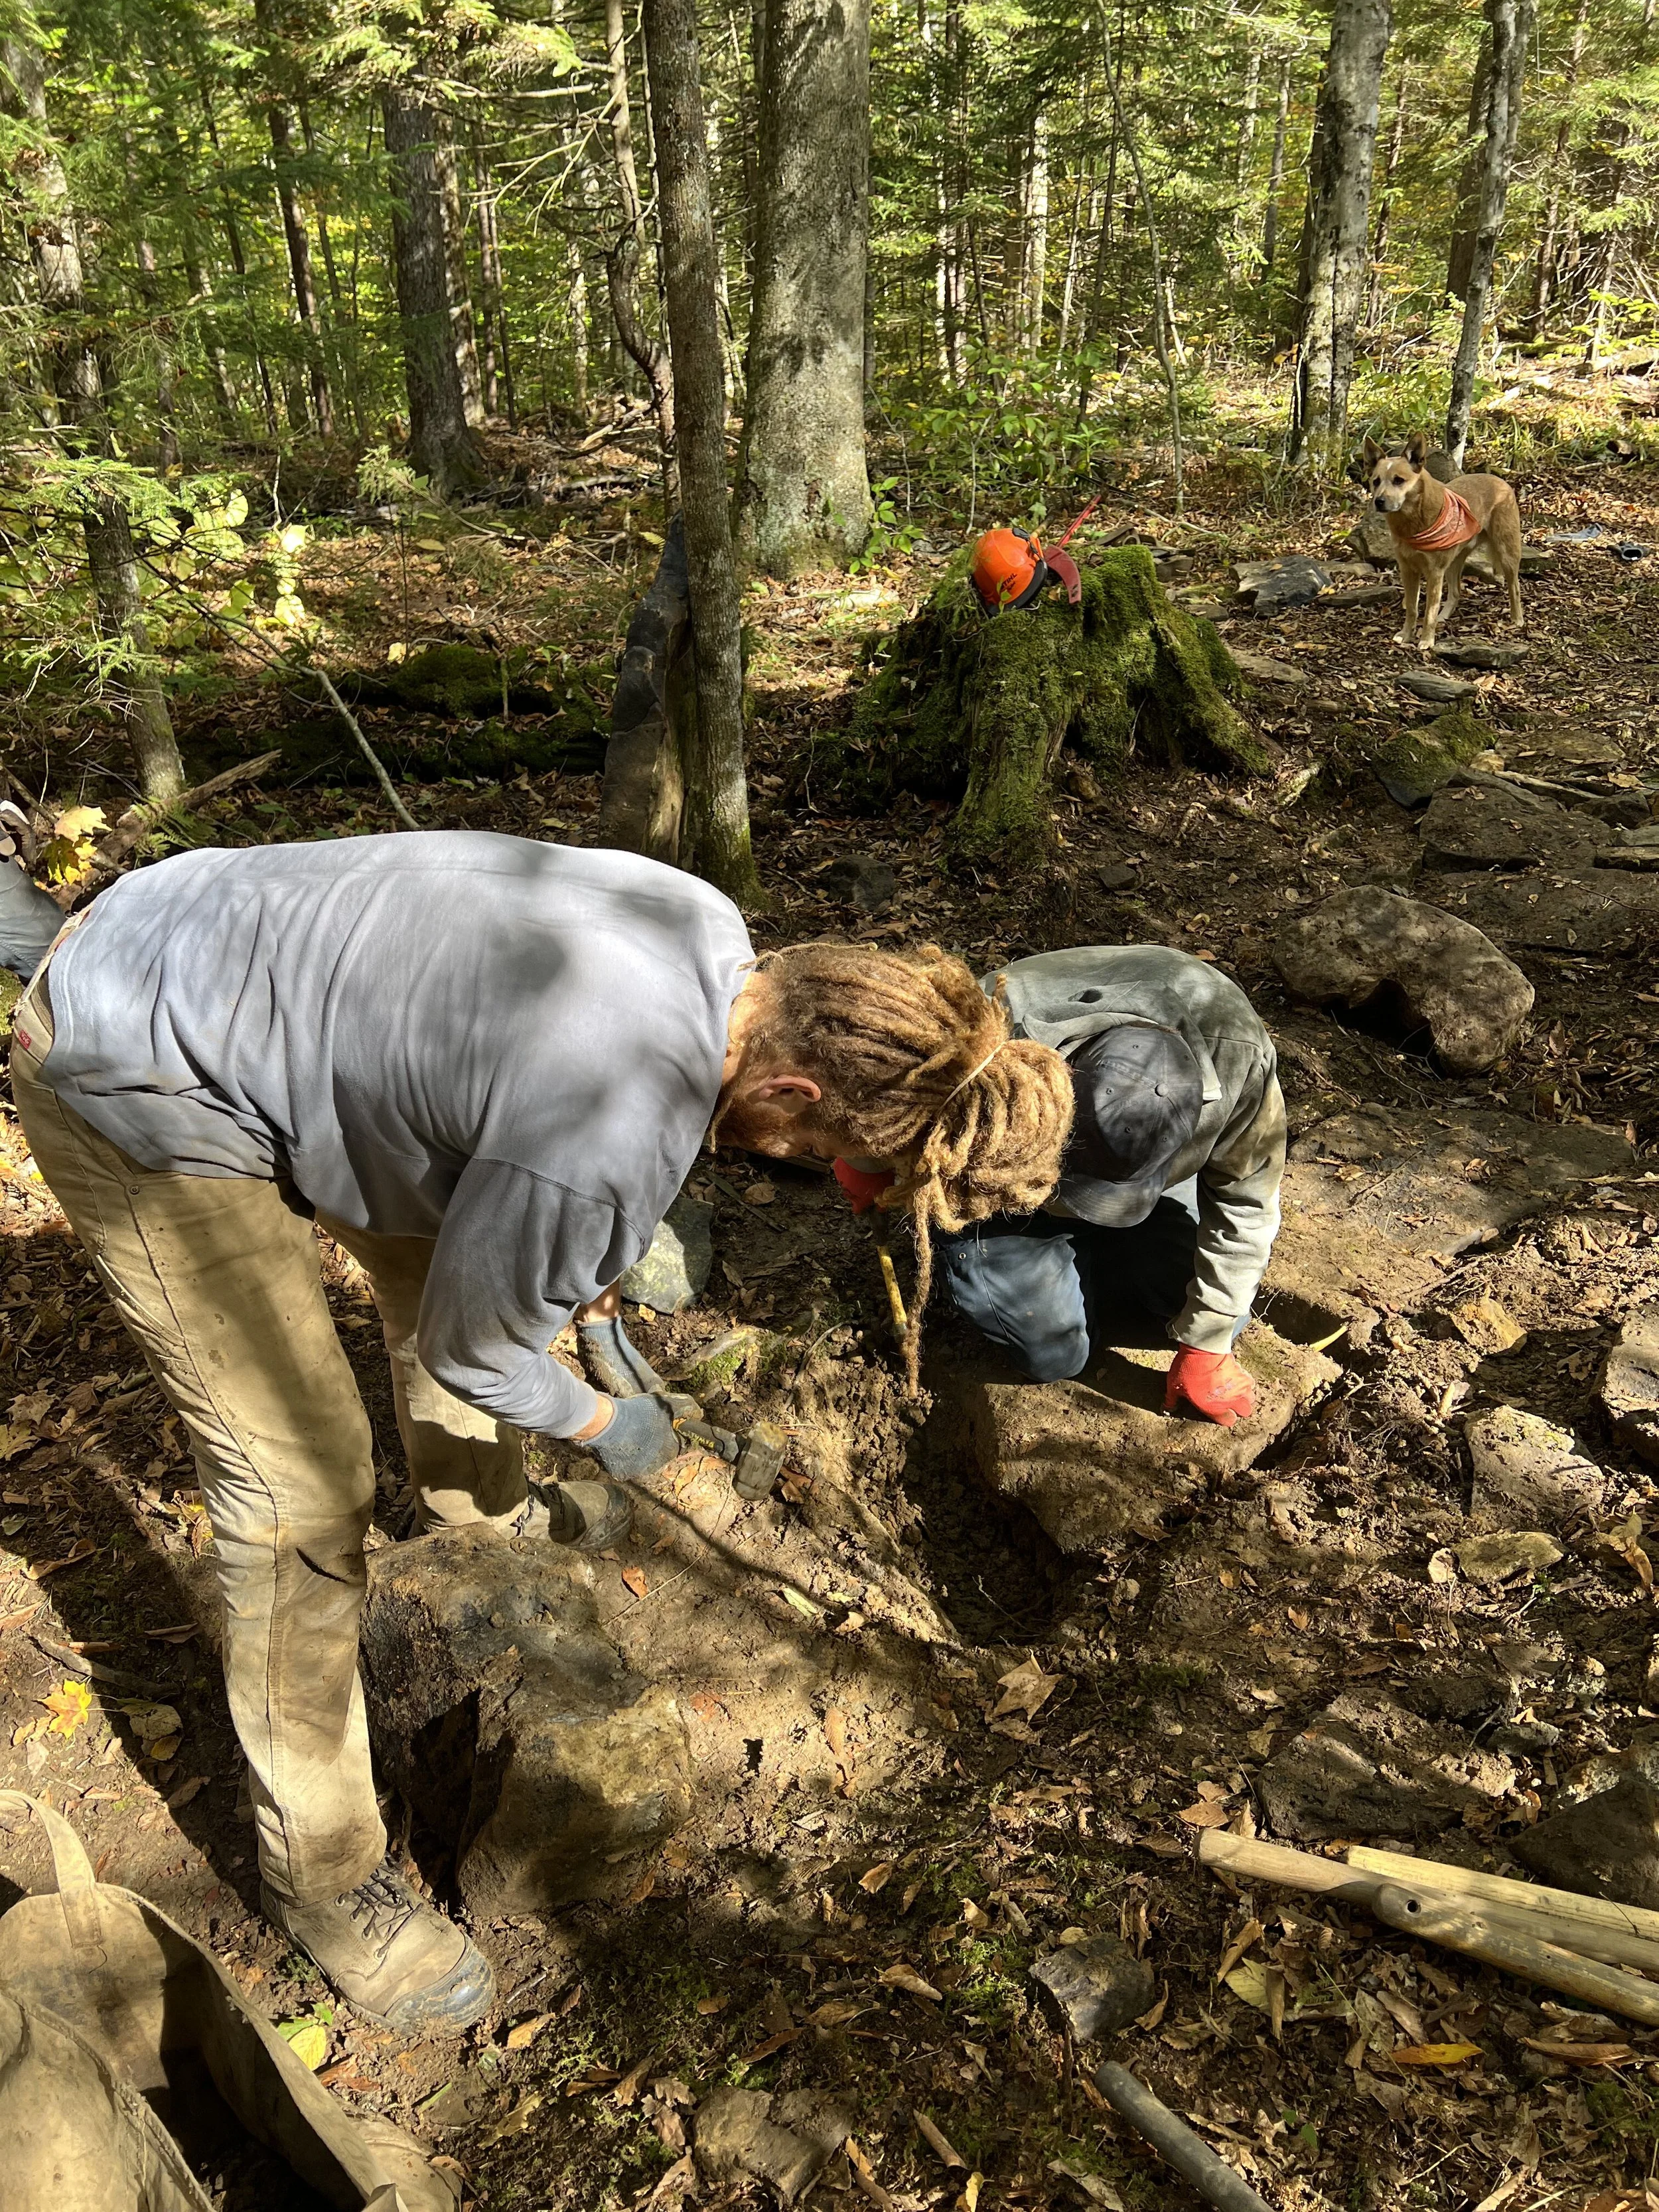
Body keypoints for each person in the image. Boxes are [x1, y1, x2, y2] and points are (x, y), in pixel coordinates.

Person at [7, 832, 1072, 2035]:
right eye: (830, 1156)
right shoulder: (605, 1143)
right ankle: (323, 1873)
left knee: (446, 1276)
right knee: (300, 1495)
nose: (824, 1175)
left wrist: (567, 1250)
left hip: (202, 935)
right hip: (129, 1062)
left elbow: (506, 1165)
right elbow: (481, 1344)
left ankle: (481, 1516)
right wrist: (603, 1418)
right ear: (791, 1088)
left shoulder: (709, 928)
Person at [841, 945, 1285, 1426]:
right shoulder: (988, 1039)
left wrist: (1207, 1346)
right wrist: (868, 1160)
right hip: (1002, 1195)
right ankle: (990, 1249)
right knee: (1055, 1354)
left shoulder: (1238, 1055)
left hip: (1144, 1191)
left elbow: (1248, 1201)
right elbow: (899, 1085)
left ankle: (1089, 1256)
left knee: (1223, 1317)